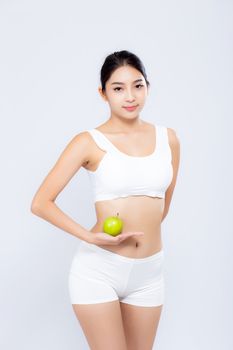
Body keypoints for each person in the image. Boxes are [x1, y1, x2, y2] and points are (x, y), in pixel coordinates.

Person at [31, 50, 180, 350]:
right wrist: (89, 235)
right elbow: (41, 202)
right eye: (118, 88)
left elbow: (161, 208)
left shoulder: (169, 139)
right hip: (100, 271)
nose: (130, 96)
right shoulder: (89, 141)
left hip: (150, 274)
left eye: (138, 85)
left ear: (148, 87)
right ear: (103, 93)